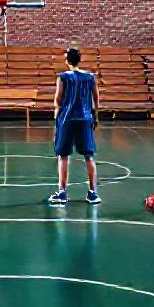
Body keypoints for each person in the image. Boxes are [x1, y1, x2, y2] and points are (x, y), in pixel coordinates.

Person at [49, 47, 100, 205]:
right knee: (89, 156)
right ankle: (93, 193)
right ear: (80, 60)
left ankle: (62, 192)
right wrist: (95, 117)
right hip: (85, 118)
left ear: (67, 61)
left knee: (63, 156)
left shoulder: (63, 77)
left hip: (67, 119)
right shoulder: (90, 77)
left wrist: (56, 117)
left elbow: (58, 99)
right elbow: (96, 99)